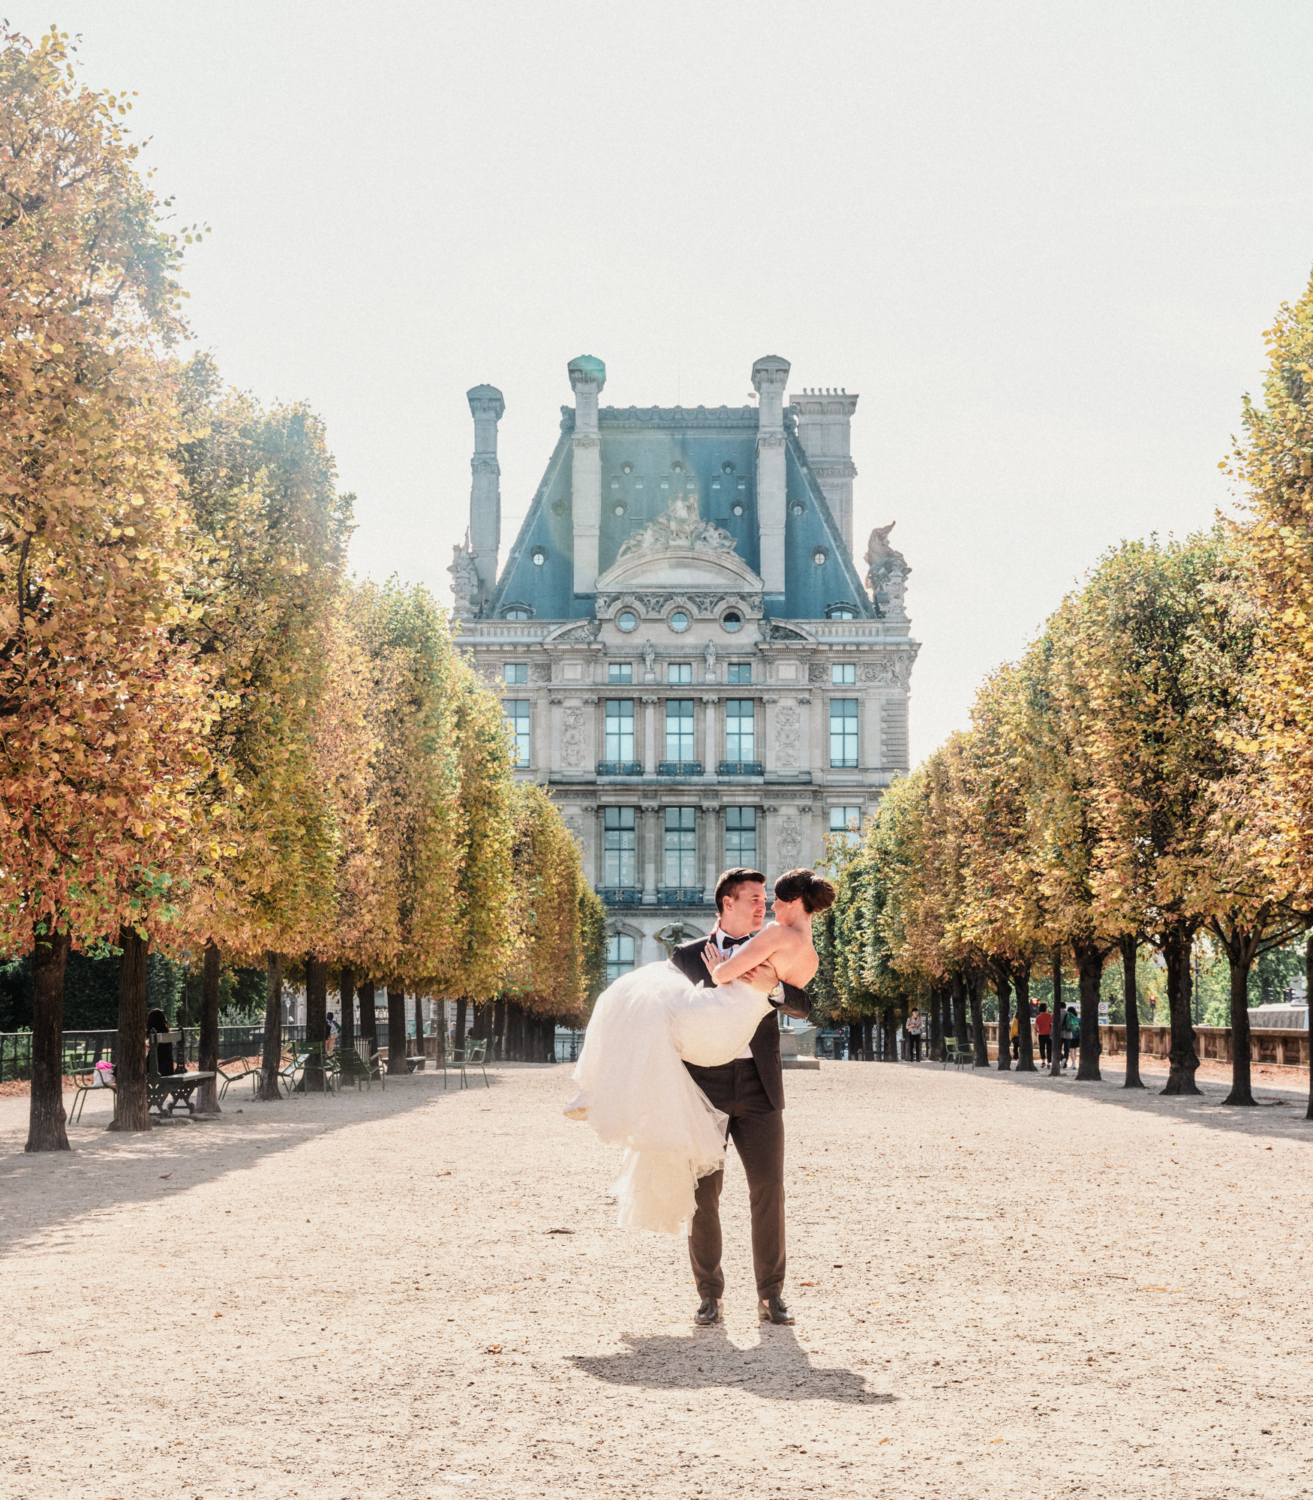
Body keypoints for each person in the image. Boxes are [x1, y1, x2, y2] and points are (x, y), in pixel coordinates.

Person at [566, 866, 829, 1329]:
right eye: (751, 898)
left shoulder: (776, 944)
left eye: (764, 898)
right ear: (726, 902)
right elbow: (654, 1015)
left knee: (769, 1191)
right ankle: (709, 1294)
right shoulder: (687, 957)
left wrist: (773, 989)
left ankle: (771, 1296)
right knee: (704, 1196)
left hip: (760, 1082)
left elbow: (804, 1003)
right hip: (702, 1085)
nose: (762, 905)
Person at [1061, 1004, 1080, 1069]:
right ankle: (1073, 1063)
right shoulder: (1078, 1018)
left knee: (1071, 1050)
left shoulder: (1068, 1017)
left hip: (1070, 1035)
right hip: (1077, 1036)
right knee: (1075, 1051)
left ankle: (1073, 1063)